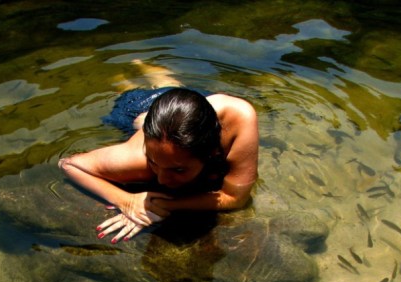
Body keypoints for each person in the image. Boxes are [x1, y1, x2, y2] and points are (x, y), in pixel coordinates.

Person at [58, 84, 258, 243]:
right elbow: (68, 164)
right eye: (154, 163)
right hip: (138, 107)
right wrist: (125, 200)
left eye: (177, 169)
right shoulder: (136, 158)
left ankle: (159, 77)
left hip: (191, 103)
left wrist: (164, 205)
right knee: (128, 92)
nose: (162, 179)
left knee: (168, 84)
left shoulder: (240, 118)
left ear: (211, 154)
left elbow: (236, 198)